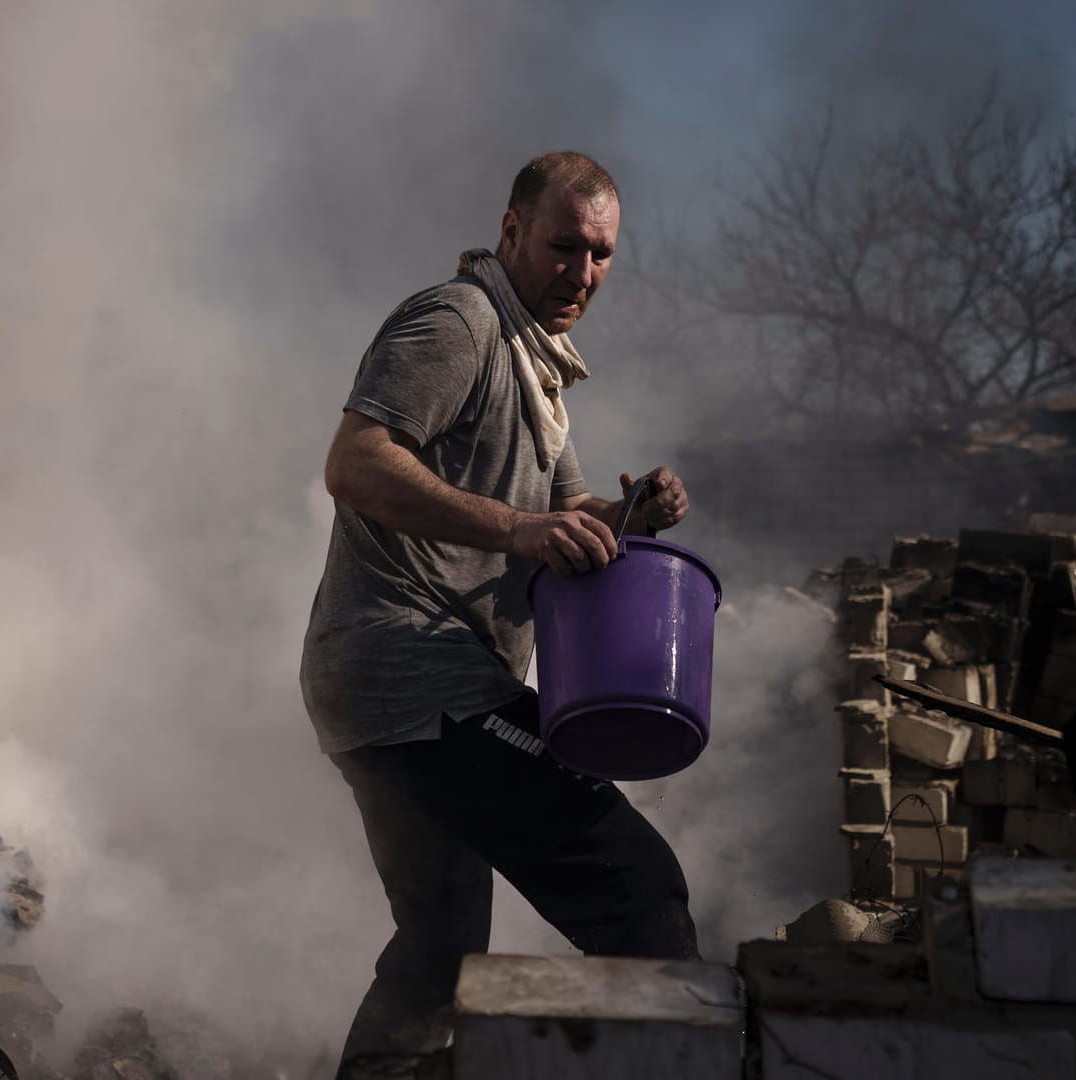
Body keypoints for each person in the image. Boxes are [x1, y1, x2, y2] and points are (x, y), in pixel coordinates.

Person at [299, 151, 700, 1076]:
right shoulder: (460, 323)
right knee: (637, 888)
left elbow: (573, 518)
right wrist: (521, 529)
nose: (584, 275)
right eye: (564, 248)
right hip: (415, 675)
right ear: (512, 231)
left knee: (442, 949)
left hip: (390, 693)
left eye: (602, 257)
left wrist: (632, 514)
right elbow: (356, 463)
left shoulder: (537, 372)